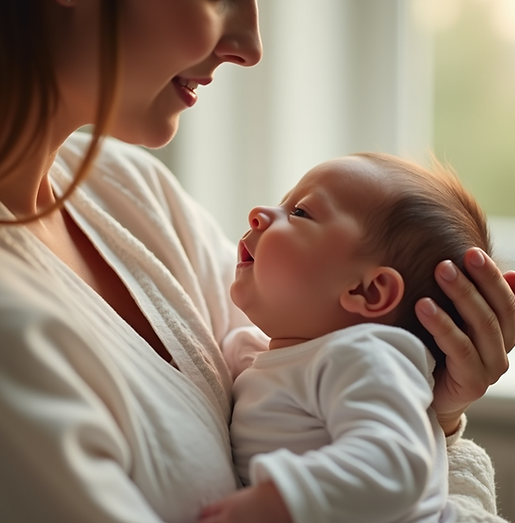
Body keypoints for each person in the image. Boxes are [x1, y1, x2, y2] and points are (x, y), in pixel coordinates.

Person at [0, 0, 515, 522]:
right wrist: (450, 475)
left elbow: (326, 387)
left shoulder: (125, 190)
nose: (252, 45)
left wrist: (436, 409)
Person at [199, 152, 496, 523]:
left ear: (368, 292)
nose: (259, 212)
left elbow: (395, 462)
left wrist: (284, 501)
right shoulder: (284, 357)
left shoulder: (365, 357)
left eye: (300, 213)